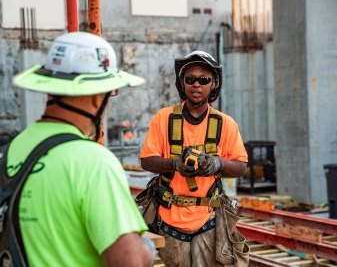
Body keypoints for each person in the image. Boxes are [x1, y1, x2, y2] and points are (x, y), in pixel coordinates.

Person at [10, 31, 155, 266]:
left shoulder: (15, 148)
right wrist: (146, 249)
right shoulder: (93, 161)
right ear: (98, 97)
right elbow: (130, 260)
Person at [140, 50, 249, 266]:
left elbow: (240, 166)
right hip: (170, 222)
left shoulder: (225, 123)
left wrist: (218, 163)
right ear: (182, 83)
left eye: (204, 80)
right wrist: (174, 164)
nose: (196, 85)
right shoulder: (164, 119)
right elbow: (147, 160)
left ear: (214, 83)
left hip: (209, 221)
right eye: (190, 79)